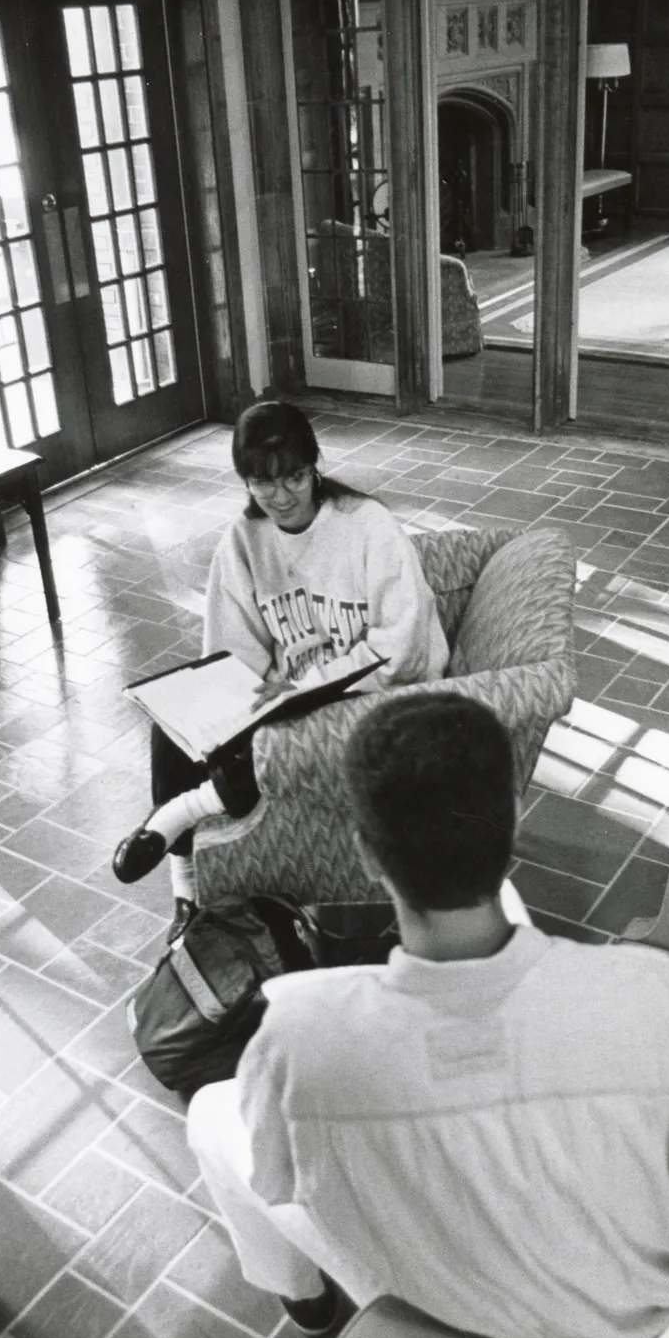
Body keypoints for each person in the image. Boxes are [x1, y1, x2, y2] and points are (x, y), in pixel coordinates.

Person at [186, 696, 669, 1338]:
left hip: (432, 1321)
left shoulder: (296, 1033)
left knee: (211, 1112)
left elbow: (278, 1181)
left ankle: (306, 1305)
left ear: (364, 854)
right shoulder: (653, 996)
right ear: (511, 836)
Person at [112, 401, 450, 939]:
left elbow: (403, 648)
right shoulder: (243, 541)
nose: (282, 496)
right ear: (244, 482)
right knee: (172, 732)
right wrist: (233, 699)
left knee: (292, 732)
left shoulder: (368, 525)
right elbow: (232, 650)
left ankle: (180, 813)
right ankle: (185, 895)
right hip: (285, 694)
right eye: (262, 482)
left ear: (316, 466)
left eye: (294, 476)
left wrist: (302, 687)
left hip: (375, 691)